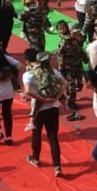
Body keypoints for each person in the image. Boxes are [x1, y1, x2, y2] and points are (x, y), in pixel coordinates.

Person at [24, 49, 68, 177]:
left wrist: (44, 100)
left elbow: (28, 91)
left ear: (27, 61)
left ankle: (35, 159)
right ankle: (57, 167)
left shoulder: (29, 74)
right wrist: (56, 97)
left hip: (39, 108)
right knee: (53, 136)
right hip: (53, 107)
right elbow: (64, 83)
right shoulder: (51, 70)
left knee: (36, 134)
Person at [57, 22, 89, 111]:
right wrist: (62, 69)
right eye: (74, 32)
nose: (76, 34)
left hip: (78, 64)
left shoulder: (80, 38)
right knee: (71, 85)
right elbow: (60, 56)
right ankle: (71, 101)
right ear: (70, 31)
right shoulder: (64, 43)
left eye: (77, 32)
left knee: (80, 81)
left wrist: (86, 59)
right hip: (68, 66)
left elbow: (81, 49)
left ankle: (72, 91)